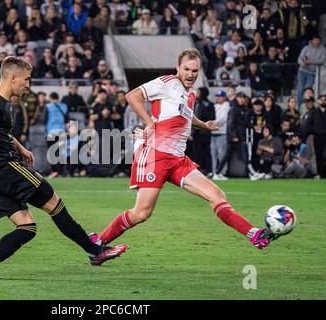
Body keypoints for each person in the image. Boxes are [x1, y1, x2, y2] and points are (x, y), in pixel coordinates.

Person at [0, 57, 127, 279]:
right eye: (26, 79)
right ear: (13, 78)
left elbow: (0, 132)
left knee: (27, 228)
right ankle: (95, 251)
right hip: (6, 169)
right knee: (55, 204)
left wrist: (20, 148)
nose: (28, 85)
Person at [89, 49, 280, 254]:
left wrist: (204, 125)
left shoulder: (190, 94)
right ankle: (97, 243)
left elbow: (187, 118)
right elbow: (132, 96)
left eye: (194, 70)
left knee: (217, 194)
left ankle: (254, 235)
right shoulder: (167, 82)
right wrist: (149, 122)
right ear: (178, 67)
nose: (190, 74)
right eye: (186, 69)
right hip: (155, 155)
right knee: (142, 213)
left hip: (178, 159)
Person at [211, 90, 229, 180]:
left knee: (222, 154)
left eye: (220, 96)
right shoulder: (215, 106)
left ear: (224, 97)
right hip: (213, 132)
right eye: (217, 96)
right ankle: (215, 172)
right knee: (213, 154)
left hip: (222, 132)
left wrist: (212, 124)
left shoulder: (227, 106)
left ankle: (222, 172)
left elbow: (222, 119)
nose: (218, 97)